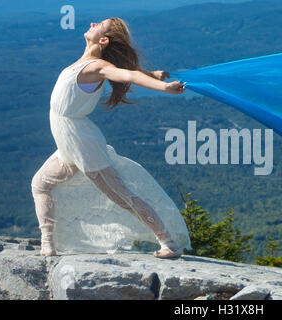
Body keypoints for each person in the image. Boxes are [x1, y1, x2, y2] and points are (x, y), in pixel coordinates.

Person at [31, 17, 190, 259]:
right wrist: (153, 73)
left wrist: (164, 88)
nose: (93, 23)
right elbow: (128, 70)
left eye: (99, 25)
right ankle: (48, 244)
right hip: (69, 140)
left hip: (81, 142)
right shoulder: (88, 64)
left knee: (121, 195)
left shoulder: (97, 67)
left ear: (103, 40)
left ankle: (169, 243)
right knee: (40, 184)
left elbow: (126, 75)